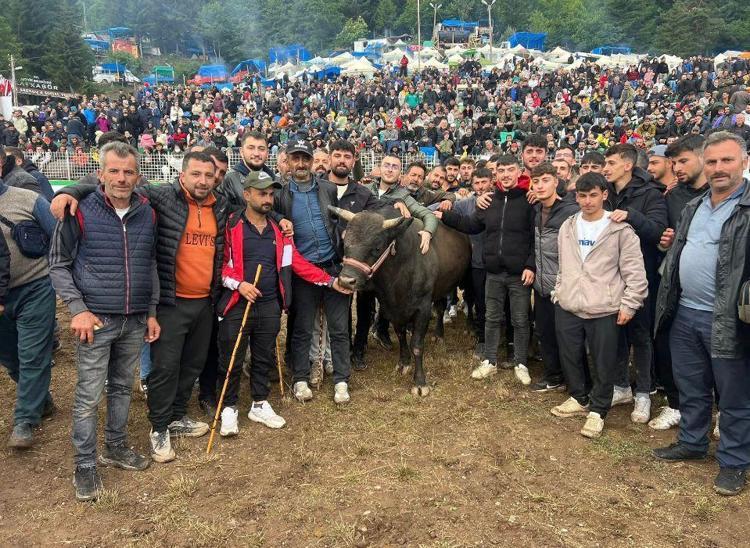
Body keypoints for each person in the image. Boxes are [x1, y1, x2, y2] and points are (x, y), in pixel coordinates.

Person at [51, 151, 231, 464]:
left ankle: (175, 416)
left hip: (203, 300)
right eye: (196, 174)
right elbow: (115, 186)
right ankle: (158, 427)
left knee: (192, 365)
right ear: (182, 175)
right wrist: (70, 191)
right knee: (164, 368)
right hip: (169, 301)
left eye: (209, 175)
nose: (203, 181)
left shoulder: (221, 205)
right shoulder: (159, 197)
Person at [48, 141, 160, 501]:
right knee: (88, 395)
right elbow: (58, 264)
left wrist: (151, 311)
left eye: (128, 172)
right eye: (114, 171)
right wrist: (77, 309)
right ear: (101, 174)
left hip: (134, 318)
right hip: (95, 320)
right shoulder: (79, 210)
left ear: (138, 176)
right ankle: (84, 464)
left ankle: (116, 446)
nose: (121, 178)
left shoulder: (147, 212)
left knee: (122, 387)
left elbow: (150, 264)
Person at [653, 131, 750, 496]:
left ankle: (734, 462)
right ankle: (692, 442)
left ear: (744, 162)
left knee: (734, 396)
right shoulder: (694, 205)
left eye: (727, 160)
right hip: (685, 312)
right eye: (712, 161)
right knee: (691, 387)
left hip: (729, 319)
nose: (718, 168)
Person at [217, 171, 350, 434]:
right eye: (261, 193)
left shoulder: (279, 230)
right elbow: (220, 266)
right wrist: (239, 284)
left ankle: (259, 403)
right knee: (232, 357)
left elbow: (296, 262)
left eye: (270, 194)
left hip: (270, 303)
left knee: (263, 355)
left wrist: (329, 281)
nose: (267, 199)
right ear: (247, 194)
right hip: (238, 301)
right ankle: (229, 408)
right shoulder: (231, 225)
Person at [550, 172, 648, 438]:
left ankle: (598, 410)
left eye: (593, 195)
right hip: (569, 304)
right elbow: (563, 264)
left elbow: (635, 272)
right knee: (570, 355)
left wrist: (629, 304)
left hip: (604, 306)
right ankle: (579, 397)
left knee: (604, 362)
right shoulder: (569, 225)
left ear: (604, 195)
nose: (588, 201)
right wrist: (559, 291)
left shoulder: (620, 229)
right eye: (582, 196)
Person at [437, 154, 536, 385]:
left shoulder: (529, 200)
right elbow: (470, 225)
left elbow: (535, 237)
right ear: (496, 174)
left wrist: (531, 264)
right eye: (501, 171)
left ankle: (521, 363)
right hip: (493, 271)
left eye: (510, 170)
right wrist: (444, 215)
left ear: (519, 171)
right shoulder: (489, 201)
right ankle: (490, 361)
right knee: (491, 318)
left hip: (519, 273)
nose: (506, 175)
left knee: (520, 319)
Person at [274, 139, 354, 403]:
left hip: (331, 264)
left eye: (305, 158)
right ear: (287, 161)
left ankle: (341, 380)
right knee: (302, 328)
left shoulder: (328, 188)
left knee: (340, 328)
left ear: (312, 161)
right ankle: (300, 378)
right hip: (303, 270)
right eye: (295, 158)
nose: (300, 164)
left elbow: (335, 221)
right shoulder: (280, 195)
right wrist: (279, 218)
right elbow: (272, 217)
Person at [602, 143, 668, 423]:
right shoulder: (605, 194)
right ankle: (621, 387)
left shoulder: (650, 193)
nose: (606, 168)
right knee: (616, 333)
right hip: (609, 276)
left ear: (628, 165)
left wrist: (632, 216)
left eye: (611, 163)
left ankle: (643, 393)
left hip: (641, 277)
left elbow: (658, 232)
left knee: (640, 336)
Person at [649, 135, 709, 431]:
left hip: (713, 289)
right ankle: (676, 405)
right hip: (675, 284)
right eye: (673, 163)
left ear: (702, 157)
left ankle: (723, 412)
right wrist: (664, 242)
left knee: (720, 354)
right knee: (669, 345)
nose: (677, 168)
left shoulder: (724, 194)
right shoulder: (672, 196)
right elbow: (664, 237)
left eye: (683, 161)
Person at [0, 164, 56, 449]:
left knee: (33, 354)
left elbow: (58, 236)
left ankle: (24, 420)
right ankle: (41, 400)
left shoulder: (29, 199)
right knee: (10, 357)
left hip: (35, 287)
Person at [326, 140, 380, 371]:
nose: (342, 160)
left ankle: (359, 347)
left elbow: (379, 214)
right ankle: (341, 348)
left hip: (358, 261)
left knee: (365, 304)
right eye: (337, 155)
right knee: (340, 308)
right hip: (328, 260)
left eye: (347, 157)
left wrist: (399, 203)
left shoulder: (364, 193)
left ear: (353, 161)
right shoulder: (317, 188)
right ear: (329, 157)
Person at [529, 162, 579, 392]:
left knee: (568, 337)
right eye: (536, 182)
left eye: (545, 180)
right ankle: (553, 375)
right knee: (545, 332)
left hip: (564, 286)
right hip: (541, 285)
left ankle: (576, 383)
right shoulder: (535, 210)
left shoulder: (571, 212)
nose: (540, 186)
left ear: (556, 182)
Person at [453, 168, 493, 357]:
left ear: (491, 182)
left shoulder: (500, 201)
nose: (481, 186)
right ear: (472, 184)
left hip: (498, 261)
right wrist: (447, 199)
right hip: (475, 261)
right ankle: (482, 337)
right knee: (479, 300)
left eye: (484, 182)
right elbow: (448, 211)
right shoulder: (465, 204)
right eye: (477, 183)